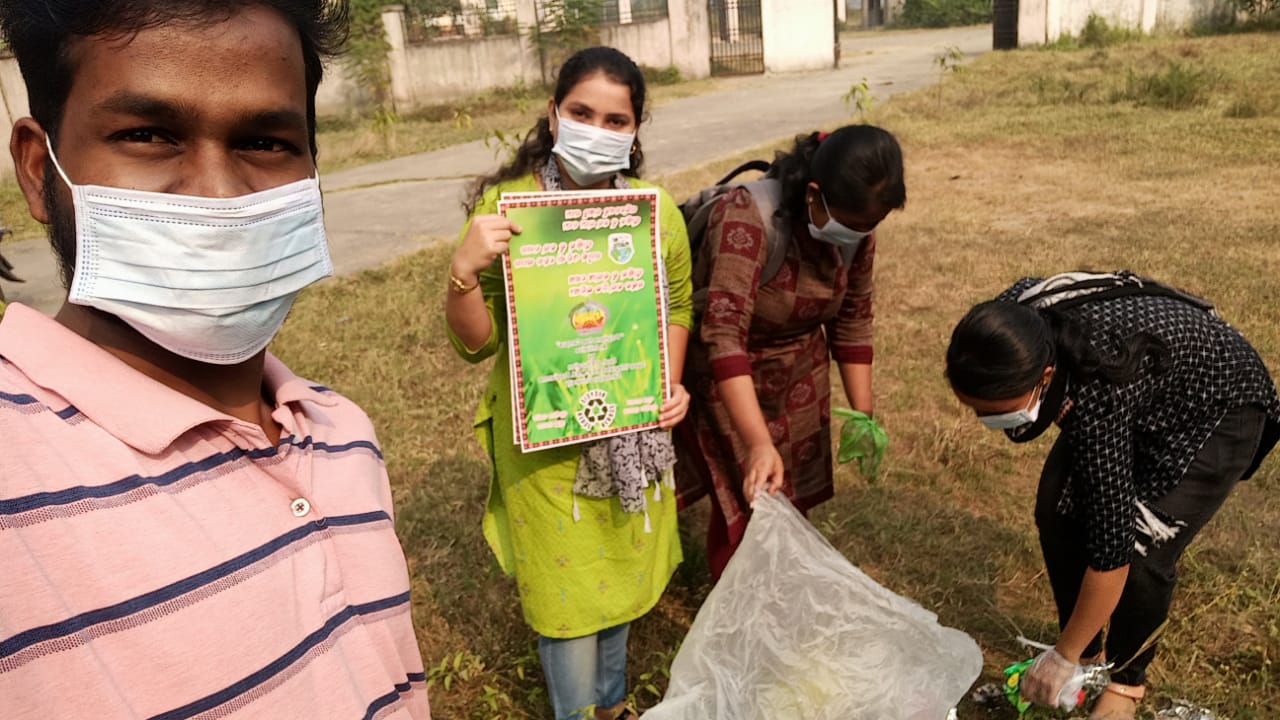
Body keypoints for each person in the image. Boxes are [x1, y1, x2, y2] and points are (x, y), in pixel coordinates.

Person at [0, 2, 430, 718]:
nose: (219, 193)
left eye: (264, 142)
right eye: (147, 135)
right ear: (42, 171)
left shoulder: (341, 430)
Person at [444, 47, 692, 720]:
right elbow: (479, 343)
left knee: (620, 586)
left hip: (631, 430)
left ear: (635, 131)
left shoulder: (653, 213)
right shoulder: (511, 211)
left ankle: (610, 706)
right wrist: (463, 272)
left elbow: (678, 304)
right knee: (567, 604)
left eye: (616, 119)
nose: (596, 129)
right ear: (554, 114)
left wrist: (669, 384)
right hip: (546, 450)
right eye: (581, 112)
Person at [946, 273, 1280, 720]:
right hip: (1147, 391)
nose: (982, 419)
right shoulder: (1011, 321)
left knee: (1143, 546)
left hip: (1218, 406)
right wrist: (1074, 650)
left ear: (1046, 375)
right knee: (1057, 509)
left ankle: (1124, 684)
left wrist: (1059, 656)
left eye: (992, 410)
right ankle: (1086, 656)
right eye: (974, 408)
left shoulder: (1099, 392)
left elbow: (1113, 552)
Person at [674, 125, 905, 580]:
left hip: (799, 372)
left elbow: (854, 319)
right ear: (814, 195)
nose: (857, 235)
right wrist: (758, 443)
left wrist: (864, 415)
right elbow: (723, 335)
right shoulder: (748, 217)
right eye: (851, 224)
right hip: (728, 377)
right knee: (747, 502)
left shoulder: (856, 228)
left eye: (868, 226)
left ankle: (782, 593)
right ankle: (741, 617)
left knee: (792, 498)